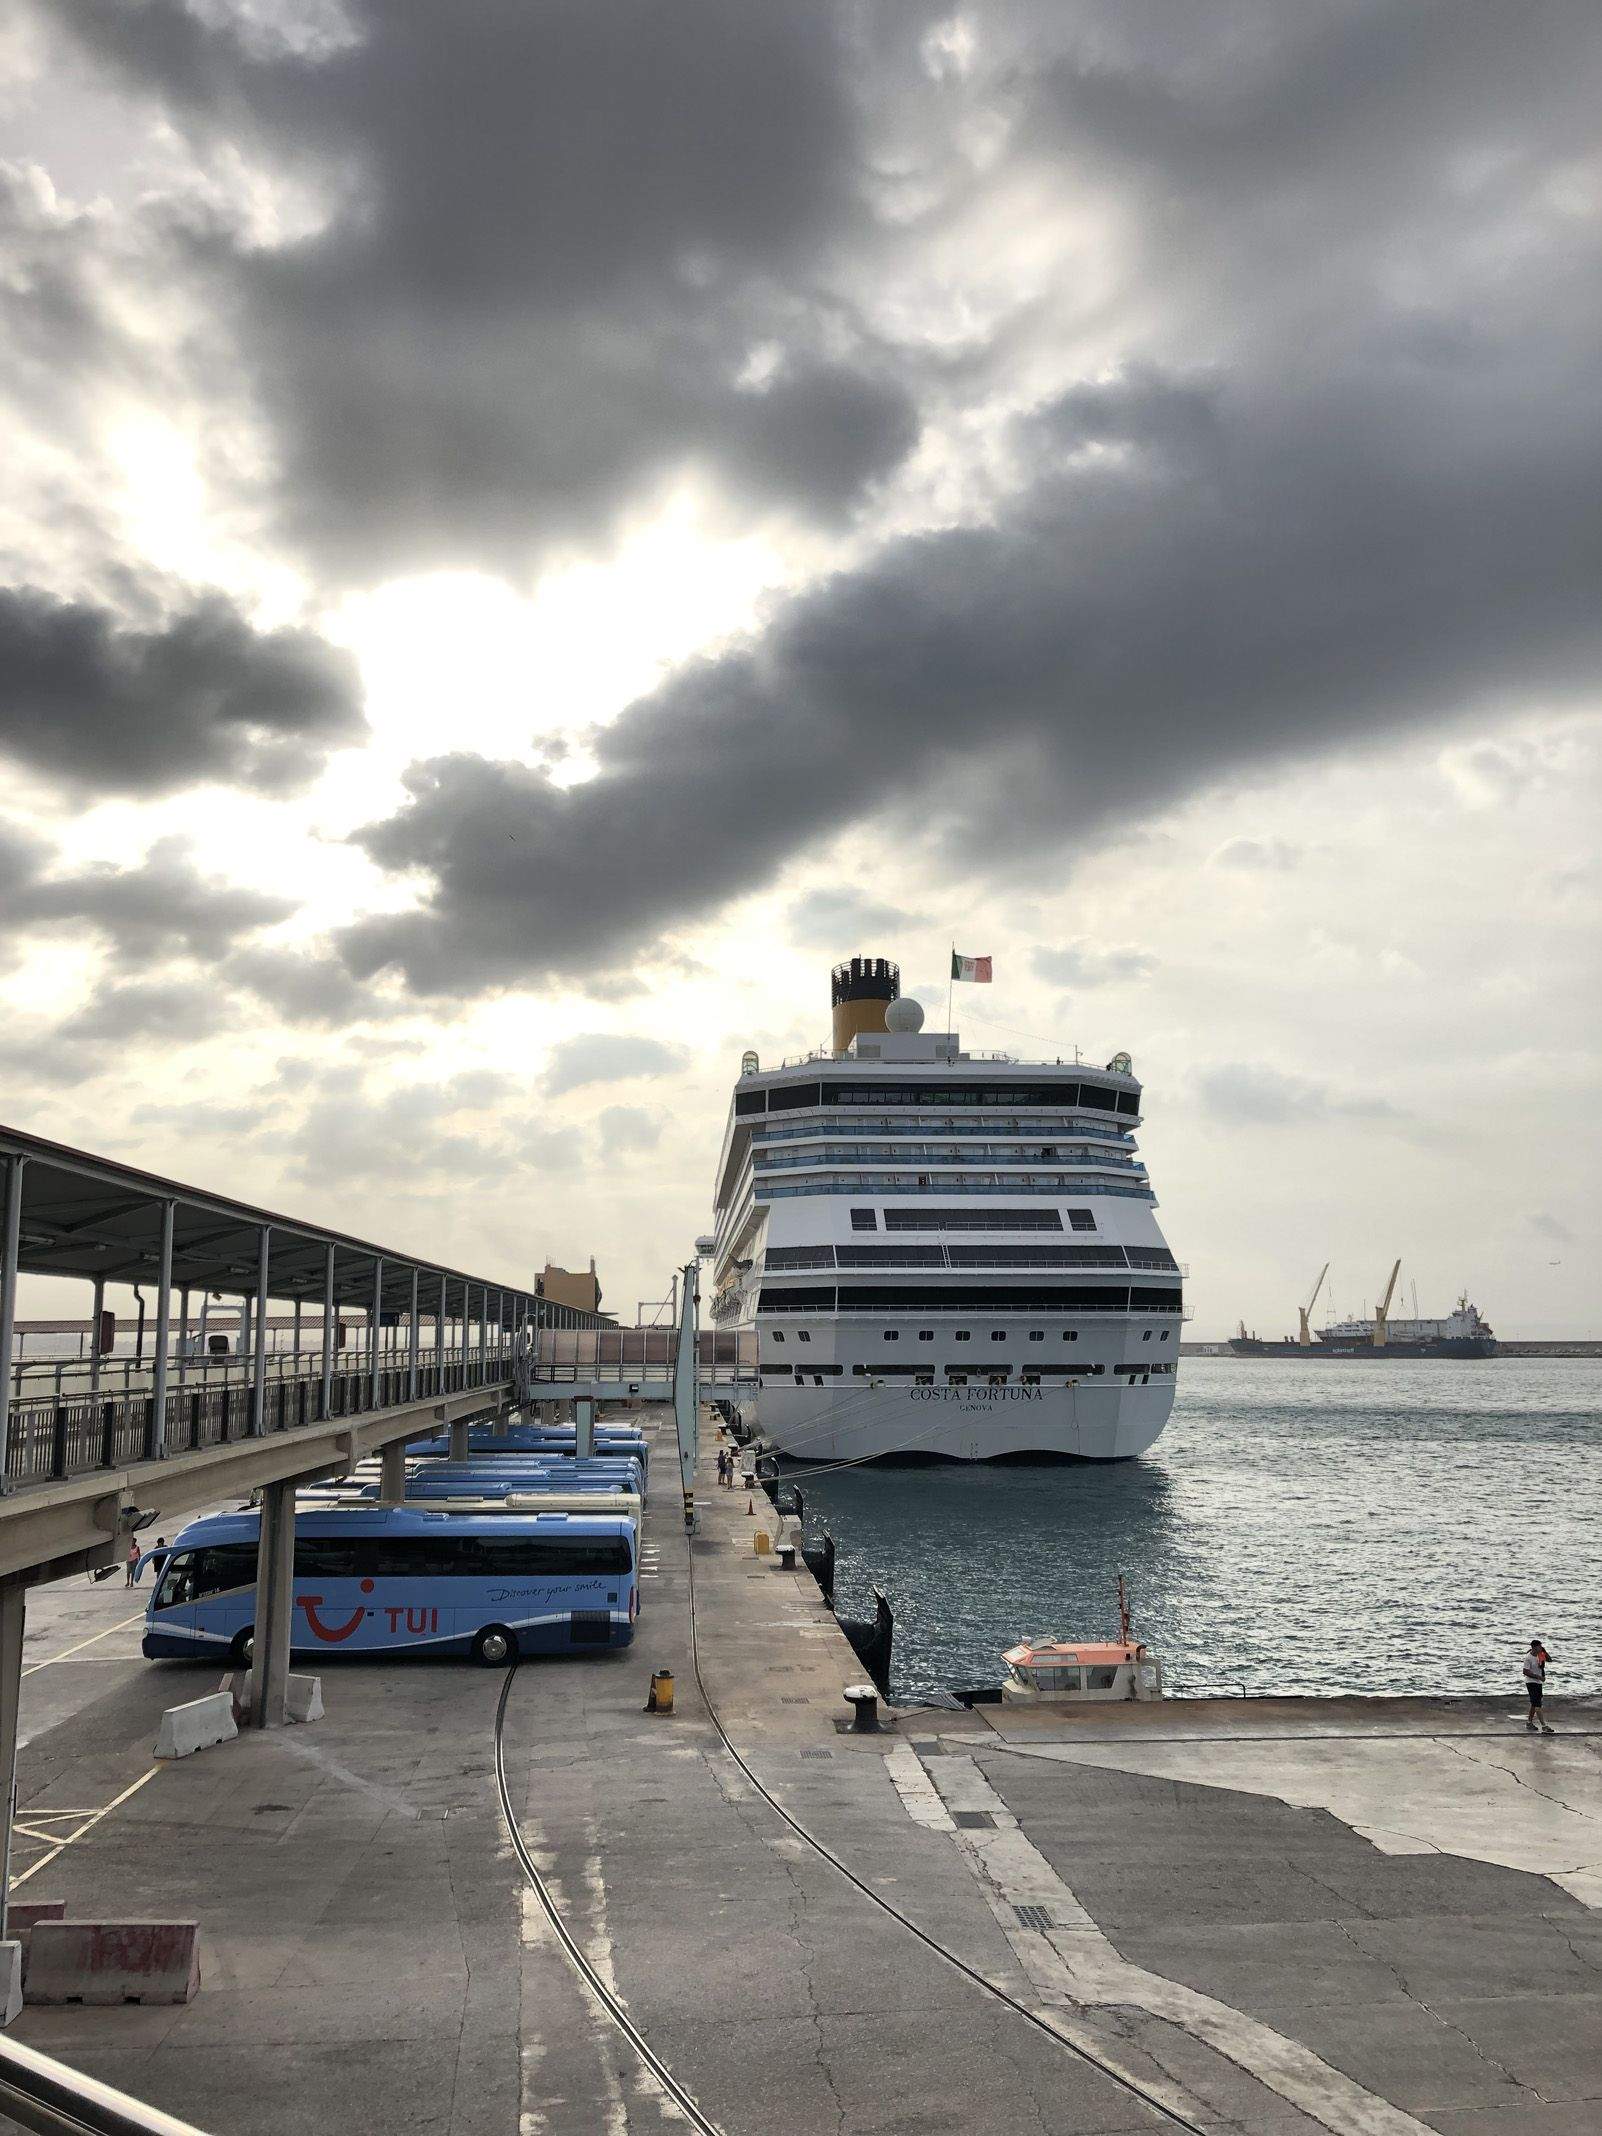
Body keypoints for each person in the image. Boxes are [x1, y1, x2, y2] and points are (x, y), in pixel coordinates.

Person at [1522, 1639, 1554, 1733]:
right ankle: (1544, 1726)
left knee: (1534, 1703)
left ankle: (1529, 1722)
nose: (1540, 1647)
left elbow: (1549, 1660)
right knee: (1537, 1705)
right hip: (1531, 1682)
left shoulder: (1540, 1654)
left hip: (1538, 1682)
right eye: (1539, 1646)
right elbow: (1525, 1671)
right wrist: (1538, 1677)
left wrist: (1544, 1651)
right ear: (1534, 1647)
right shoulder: (1528, 1657)